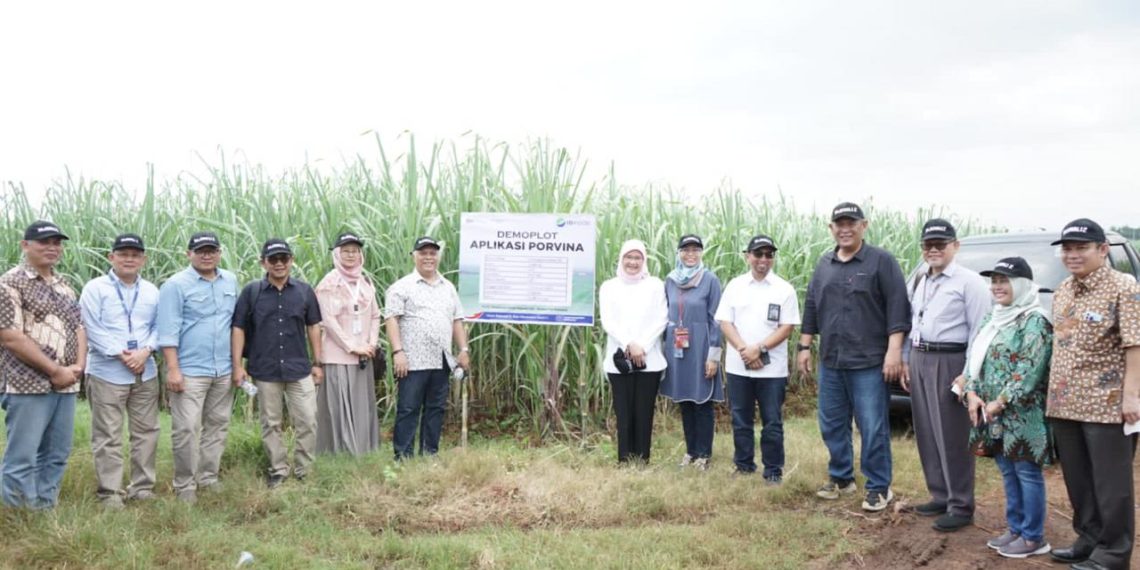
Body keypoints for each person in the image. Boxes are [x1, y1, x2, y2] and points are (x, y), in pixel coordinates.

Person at [798, 202, 910, 512]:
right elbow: (811, 305)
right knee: (832, 424)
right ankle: (841, 477)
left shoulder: (881, 261)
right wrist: (805, 346)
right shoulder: (825, 263)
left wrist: (894, 351)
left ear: (864, 225)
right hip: (832, 361)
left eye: (852, 223)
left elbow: (898, 307)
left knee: (872, 426)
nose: (845, 229)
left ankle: (878, 486)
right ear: (831, 228)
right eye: (839, 224)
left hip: (870, 362)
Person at [1045, 218, 1140, 570]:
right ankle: (1088, 538)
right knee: (1079, 480)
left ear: (1102, 250)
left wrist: (1133, 397)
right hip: (1065, 403)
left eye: (1081, 247)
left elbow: (1135, 344)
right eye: (1067, 249)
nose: (1072, 255)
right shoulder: (1063, 290)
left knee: (1111, 483)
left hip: (1107, 404)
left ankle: (1114, 553)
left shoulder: (1123, 286)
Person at [901, 219, 991, 531]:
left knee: (952, 435)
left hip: (951, 362)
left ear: (955, 245)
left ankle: (961, 504)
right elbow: (912, 322)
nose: (934, 249)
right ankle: (939, 494)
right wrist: (905, 360)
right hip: (921, 357)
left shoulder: (970, 282)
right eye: (928, 245)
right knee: (927, 432)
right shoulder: (921, 279)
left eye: (941, 244)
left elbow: (980, 332)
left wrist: (968, 375)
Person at [962, 257, 1053, 558]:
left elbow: (1030, 370)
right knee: (1007, 471)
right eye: (995, 281)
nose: (997, 286)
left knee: (1027, 472)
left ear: (1022, 285)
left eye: (1005, 281)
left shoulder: (1034, 321)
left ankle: (1033, 537)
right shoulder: (994, 317)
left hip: (1022, 415)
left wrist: (1000, 402)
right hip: (991, 412)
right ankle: (1015, 529)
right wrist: (971, 392)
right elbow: (975, 357)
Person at [0, 221, 86, 509]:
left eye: (56, 243)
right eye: (44, 242)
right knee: (23, 456)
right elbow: (10, 337)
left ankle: (43, 510)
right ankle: (17, 517)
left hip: (66, 384)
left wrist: (78, 367)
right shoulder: (10, 283)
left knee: (56, 453)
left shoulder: (64, 286)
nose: (52, 248)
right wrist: (55, 370)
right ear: (25, 245)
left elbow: (79, 327)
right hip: (26, 383)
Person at [232, 238, 324, 488]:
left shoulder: (304, 291)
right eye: (273, 259)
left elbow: (313, 327)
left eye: (284, 258)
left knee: (307, 419)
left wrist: (318, 363)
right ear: (264, 262)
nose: (279, 263)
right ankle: (278, 470)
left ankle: (304, 469)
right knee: (270, 423)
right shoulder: (252, 292)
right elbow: (238, 328)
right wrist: (237, 365)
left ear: (291, 261)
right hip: (265, 369)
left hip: (299, 369)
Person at [79, 234, 161, 509]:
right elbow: (91, 326)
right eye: (123, 253)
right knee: (108, 434)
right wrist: (122, 354)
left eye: (135, 254)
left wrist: (146, 350)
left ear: (143, 259)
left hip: (145, 371)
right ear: (111, 257)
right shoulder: (95, 288)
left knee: (147, 431)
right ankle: (110, 493)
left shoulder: (152, 291)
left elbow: (161, 325)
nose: (129, 259)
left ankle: (142, 487)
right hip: (107, 372)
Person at [157, 231, 239, 504]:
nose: (207, 255)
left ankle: (208, 477)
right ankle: (185, 485)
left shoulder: (230, 280)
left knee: (217, 426)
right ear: (188, 253)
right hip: (190, 370)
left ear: (219, 252)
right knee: (187, 429)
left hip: (223, 369)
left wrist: (238, 365)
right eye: (200, 250)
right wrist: (173, 369)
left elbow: (235, 325)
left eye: (212, 250)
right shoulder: (175, 285)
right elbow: (168, 330)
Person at [716, 235, 801, 483]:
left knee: (772, 422)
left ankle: (773, 470)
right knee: (741, 420)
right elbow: (725, 322)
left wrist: (760, 348)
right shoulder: (735, 286)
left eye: (768, 254)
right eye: (758, 254)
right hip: (738, 367)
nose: (763, 259)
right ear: (748, 256)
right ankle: (743, 465)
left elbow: (787, 327)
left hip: (771, 369)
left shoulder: (784, 289)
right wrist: (745, 350)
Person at [384, 237, 470, 460]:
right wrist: (398, 352)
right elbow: (391, 319)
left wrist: (463, 349)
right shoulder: (401, 287)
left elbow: (457, 320)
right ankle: (403, 457)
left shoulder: (448, 287)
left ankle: (429, 453)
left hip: (442, 359)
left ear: (438, 256)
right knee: (408, 409)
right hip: (412, 360)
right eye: (423, 253)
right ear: (414, 256)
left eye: (433, 253)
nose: (428, 257)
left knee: (435, 409)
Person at [599, 239, 668, 463]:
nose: (633, 262)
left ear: (644, 260)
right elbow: (608, 321)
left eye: (637, 257)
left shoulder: (655, 285)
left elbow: (662, 319)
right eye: (629, 257)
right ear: (621, 259)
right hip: (619, 358)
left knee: (644, 411)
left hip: (650, 358)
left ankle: (642, 458)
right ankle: (624, 459)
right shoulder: (609, 287)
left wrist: (643, 346)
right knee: (624, 412)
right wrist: (630, 344)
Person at [314, 232, 382, 455]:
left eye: (355, 251)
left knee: (361, 405)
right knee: (340, 407)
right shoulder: (328, 283)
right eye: (346, 251)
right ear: (337, 254)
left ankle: (364, 451)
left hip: (364, 355)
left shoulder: (365, 282)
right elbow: (328, 321)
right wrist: (352, 346)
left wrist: (371, 343)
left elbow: (374, 315)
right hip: (338, 356)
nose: (351, 255)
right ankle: (341, 453)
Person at [660, 235, 722, 470]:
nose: (690, 254)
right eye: (686, 250)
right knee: (685, 400)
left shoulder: (710, 280)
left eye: (696, 250)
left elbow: (717, 320)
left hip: (702, 347)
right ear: (679, 253)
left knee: (702, 401)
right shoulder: (670, 281)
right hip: (678, 348)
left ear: (701, 253)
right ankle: (691, 451)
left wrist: (713, 356)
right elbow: (666, 314)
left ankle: (704, 455)